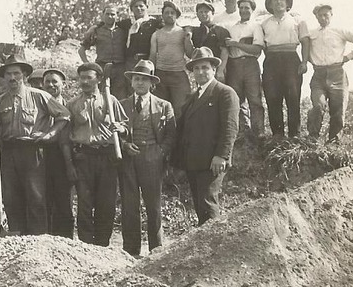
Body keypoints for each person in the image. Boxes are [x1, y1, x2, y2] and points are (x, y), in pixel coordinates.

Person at [0, 58, 69, 236]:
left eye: (16, 73)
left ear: (25, 76)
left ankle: (37, 242)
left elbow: (64, 115)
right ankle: (17, 239)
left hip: (32, 151)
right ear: (4, 78)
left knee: (36, 198)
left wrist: (49, 134)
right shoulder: (0, 101)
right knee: (12, 199)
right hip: (9, 152)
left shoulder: (38, 95)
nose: (12, 78)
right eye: (8, 74)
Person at [173, 48, 240, 224]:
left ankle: (215, 250)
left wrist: (221, 155)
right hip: (193, 161)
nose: (200, 72)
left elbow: (230, 128)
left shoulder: (225, 93)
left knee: (208, 205)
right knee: (200, 207)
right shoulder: (193, 97)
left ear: (214, 69)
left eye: (205, 67)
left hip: (212, 162)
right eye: (196, 68)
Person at [118, 60, 177, 256]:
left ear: (152, 83)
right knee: (130, 205)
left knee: (153, 205)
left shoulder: (164, 106)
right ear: (131, 82)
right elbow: (115, 132)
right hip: (129, 159)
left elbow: (171, 133)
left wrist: (161, 152)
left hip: (153, 157)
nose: (140, 83)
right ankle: (131, 250)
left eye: (144, 80)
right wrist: (125, 145)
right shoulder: (121, 105)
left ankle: (156, 250)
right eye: (137, 79)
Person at [66, 62, 128, 248]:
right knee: (84, 203)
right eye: (81, 78)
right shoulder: (73, 104)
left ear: (99, 79)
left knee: (106, 202)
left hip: (107, 157)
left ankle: (102, 245)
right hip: (83, 157)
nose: (84, 81)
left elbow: (125, 125)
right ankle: (86, 246)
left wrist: (121, 128)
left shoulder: (110, 100)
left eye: (89, 77)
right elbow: (68, 136)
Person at [305, 4, 353, 143]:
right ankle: (312, 138)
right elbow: (303, 46)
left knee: (338, 110)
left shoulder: (339, 31)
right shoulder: (311, 34)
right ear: (316, 16)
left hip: (337, 74)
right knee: (317, 105)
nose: (323, 18)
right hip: (319, 75)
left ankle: (334, 142)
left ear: (331, 15)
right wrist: (310, 60)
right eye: (320, 15)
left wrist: (348, 57)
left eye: (326, 15)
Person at [255, 0, 309, 139]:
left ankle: (294, 135)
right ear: (270, 5)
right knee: (272, 97)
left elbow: (305, 42)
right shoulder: (264, 23)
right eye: (275, 0)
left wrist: (304, 62)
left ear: (287, 3)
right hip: (271, 60)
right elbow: (262, 45)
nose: (278, 2)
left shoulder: (297, 20)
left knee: (293, 97)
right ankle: (277, 134)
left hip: (291, 59)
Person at [39, 68, 76, 239]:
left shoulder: (71, 106)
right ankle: (46, 238)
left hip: (64, 156)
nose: (51, 85)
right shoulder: (38, 105)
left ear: (63, 85)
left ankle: (66, 239)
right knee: (43, 198)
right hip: (42, 155)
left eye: (55, 82)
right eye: (47, 82)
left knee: (63, 199)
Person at [221, 0, 266, 137]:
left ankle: (258, 131)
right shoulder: (231, 27)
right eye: (241, 7)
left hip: (250, 64)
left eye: (247, 8)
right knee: (236, 98)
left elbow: (257, 49)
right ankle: (242, 130)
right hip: (234, 64)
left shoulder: (255, 26)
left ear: (252, 10)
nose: (243, 10)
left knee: (254, 98)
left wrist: (237, 44)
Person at [147, 1, 194, 114]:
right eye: (166, 12)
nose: (169, 15)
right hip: (161, 74)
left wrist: (188, 39)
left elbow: (190, 54)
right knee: (159, 109)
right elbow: (153, 55)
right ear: (162, 15)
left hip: (178, 74)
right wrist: (150, 76)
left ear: (177, 15)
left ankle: (181, 132)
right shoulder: (156, 34)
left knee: (181, 108)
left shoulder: (183, 32)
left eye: (172, 13)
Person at [79, 4, 132, 97]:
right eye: (107, 14)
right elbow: (81, 50)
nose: (110, 17)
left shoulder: (123, 31)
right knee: (101, 95)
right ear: (102, 15)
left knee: (121, 97)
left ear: (117, 16)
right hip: (102, 67)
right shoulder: (96, 31)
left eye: (112, 14)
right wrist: (88, 65)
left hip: (120, 68)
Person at [188, 2, 232, 78]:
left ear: (212, 13)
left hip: (216, 68)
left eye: (206, 11)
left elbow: (225, 52)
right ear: (197, 15)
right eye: (201, 12)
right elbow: (190, 53)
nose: (203, 14)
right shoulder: (195, 31)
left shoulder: (220, 30)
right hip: (201, 69)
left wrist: (220, 70)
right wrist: (187, 37)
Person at [125, 0, 158, 66]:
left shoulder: (154, 23)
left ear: (147, 7)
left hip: (146, 61)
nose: (138, 8)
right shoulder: (127, 23)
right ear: (132, 9)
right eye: (135, 6)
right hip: (130, 62)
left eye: (141, 6)